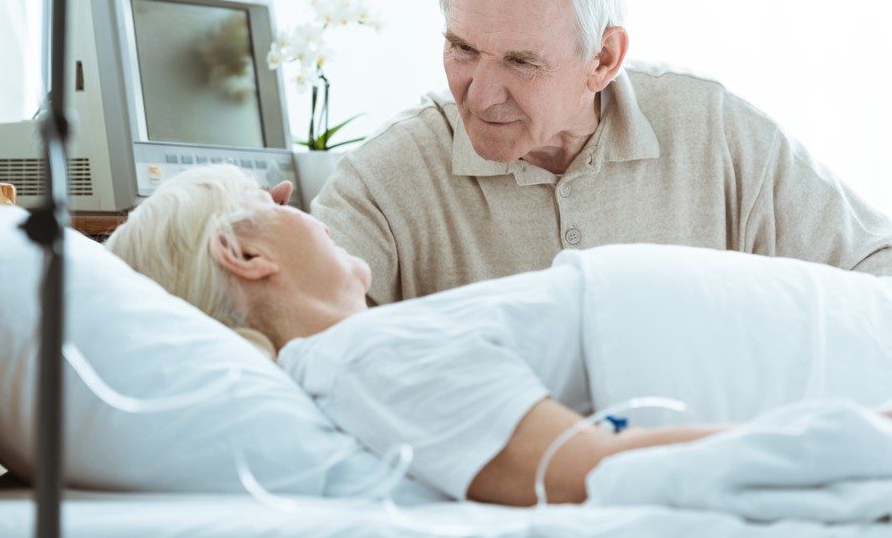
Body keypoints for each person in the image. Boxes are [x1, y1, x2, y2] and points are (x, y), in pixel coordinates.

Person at [105, 163, 892, 507]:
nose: (299, 201)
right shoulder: (366, 358)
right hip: (846, 360)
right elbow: (585, 467)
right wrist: (862, 436)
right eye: (267, 199)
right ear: (244, 254)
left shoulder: (374, 346)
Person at [309, 0, 892, 306]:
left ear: (604, 59)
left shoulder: (711, 129)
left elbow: (875, 267)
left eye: (520, 62)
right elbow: (304, 325)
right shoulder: (384, 178)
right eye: (462, 48)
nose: (481, 95)